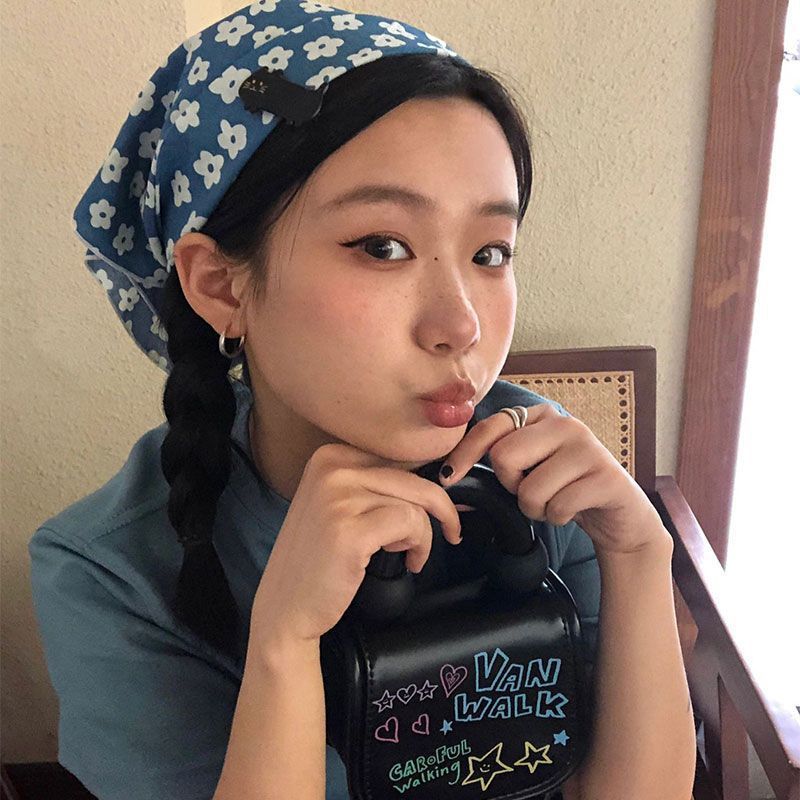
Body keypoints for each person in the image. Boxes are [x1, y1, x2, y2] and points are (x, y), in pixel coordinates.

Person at [28, 2, 696, 798]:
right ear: (220, 285)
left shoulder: (536, 474)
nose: (462, 325)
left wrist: (639, 556)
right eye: (384, 246)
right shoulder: (111, 572)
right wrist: (283, 643)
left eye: (490, 252)